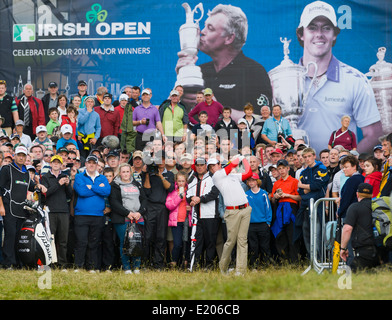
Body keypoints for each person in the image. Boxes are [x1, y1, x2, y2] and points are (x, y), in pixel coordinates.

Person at [295, 1, 382, 155]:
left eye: (326, 28)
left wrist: (346, 163)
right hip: (294, 175)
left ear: (334, 34)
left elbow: (374, 134)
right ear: (301, 34)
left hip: (341, 176)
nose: (319, 34)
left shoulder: (356, 80)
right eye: (312, 28)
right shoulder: (283, 80)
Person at [176, 4, 272, 120]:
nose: (202, 31)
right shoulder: (199, 71)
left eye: (210, 28)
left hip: (237, 138)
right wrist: (180, 85)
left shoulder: (254, 71)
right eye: (204, 26)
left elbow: (264, 121)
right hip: (200, 137)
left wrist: (218, 109)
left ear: (229, 38)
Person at [0, 145, 47, 268]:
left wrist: (38, 185)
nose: (21, 158)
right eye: (19, 155)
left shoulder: (26, 172)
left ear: (26, 157)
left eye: (23, 156)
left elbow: (31, 187)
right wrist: (1, 207)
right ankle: (7, 263)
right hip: (8, 208)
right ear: (15, 155)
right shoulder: (6, 169)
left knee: (18, 237)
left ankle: (17, 263)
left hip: (21, 210)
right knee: (10, 236)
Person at [208, 154, 252, 275]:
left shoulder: (232, 176)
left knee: (242, 240)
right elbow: (231, 165)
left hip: (245, 209)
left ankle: (240, 271)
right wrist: (239, 157)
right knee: (231, 241)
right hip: (232, 212)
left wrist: (244, 160)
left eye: (214, 165)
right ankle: (223, 266)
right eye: (211, 167)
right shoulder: (217, 177)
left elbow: (248, 174)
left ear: (218, 165)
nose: (213, 168)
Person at [72, 154, 111, 271]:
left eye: (94, 163)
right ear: (86, 164)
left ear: (97, 165)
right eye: (89, 163)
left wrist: (91, 187)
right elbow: (82, 192)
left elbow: (107, 191)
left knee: (94, 243)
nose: (91, 165)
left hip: (98, 216)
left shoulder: (102, 178)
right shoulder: (79, 176)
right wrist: (98, 188)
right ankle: (78, 266)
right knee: (81, 242)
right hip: (81, 215)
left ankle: (92, 267)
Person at [109, 163, 146, 274]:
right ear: (120, 173)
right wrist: (127, 213)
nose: (125, 174)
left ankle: (136, 267)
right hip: (123, 219)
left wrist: (140, 212)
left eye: (127, 171)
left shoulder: (136, 184)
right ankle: (126, 268)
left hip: (138, 218)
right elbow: (114, 203)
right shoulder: (115, 185)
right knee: (125, 242)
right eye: (123, 172)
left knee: (137, 242)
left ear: (131, 172)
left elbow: (144, 199)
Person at [143, 151, 175, 270]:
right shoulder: (150, 173)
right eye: (158, 159)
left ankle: (159, 264)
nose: (160, 162)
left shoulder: (170, 174)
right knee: (148, 236)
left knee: (161, 237)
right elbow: (146, 191)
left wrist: (161, 176)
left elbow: (170, 188)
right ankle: (146, 263)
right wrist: (147, 174)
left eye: (162, 159)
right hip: (150, 206)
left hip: (163, 208)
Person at [186, 157, 220, 270]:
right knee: (197, 242)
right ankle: (195, 265)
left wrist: (200, 199)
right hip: (196, 216)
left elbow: (214, 194)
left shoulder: (213, 177)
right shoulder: (192, 178)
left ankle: (209, 266)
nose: (200, 167)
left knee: (210, 242)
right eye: (198, 165)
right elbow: (187, 194)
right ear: (195, 166)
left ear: (206, 165)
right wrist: (192, 198)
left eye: (202, 165)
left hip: (210, 215)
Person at [40, 154, 73, 268]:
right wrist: (58, 184)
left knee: (63, 240)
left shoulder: (65, 176)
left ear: (61, 165)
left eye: (58, 162)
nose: (56, 164)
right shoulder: (45, 177)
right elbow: (45, 194)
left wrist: (68, 185)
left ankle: (62, 264)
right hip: (50, 211)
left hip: (63, 211)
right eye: (54, 162)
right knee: (50, 240)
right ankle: (51, 264)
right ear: (50, 164)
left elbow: (70, 195)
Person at [297, 147, 329, 257]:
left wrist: (304, 186)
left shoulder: (321, 168)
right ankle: (311, 259)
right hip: (306, 206)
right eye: (305, 157)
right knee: (306, 233)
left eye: (309, 156)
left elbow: (318, 185)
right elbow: (300, 191)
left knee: (318, 233)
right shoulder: (303, 172)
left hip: (318, 206)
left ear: (314, 156)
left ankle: (320, 259)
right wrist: (307, 188)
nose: (307, 159)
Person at [340, 183, 379, 272]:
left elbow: (347, 229)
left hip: (363, 250)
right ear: (372, 195)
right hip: (380, 248)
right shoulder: (378, 207)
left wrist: (343, 248)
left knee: (355, 277)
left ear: (357, 194)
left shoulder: (354, 207)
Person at [270, 159, 301, 262]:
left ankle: (294, 261)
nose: (282, 170)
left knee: (292, 235)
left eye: (283, 168)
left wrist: (287, 195)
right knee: (280, 235)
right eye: (279, 169)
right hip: (280, 209)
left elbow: (299, 197)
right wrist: (275, 196)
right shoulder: (276, 183)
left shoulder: (294, 181)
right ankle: (284, 261)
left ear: (288, 168)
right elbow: (273, 199)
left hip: (291, 209)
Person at [245, 172, 272, 268]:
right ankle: (254, 266)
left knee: (265, 246)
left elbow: (268, 208)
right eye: (249, 181)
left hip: (263, 224)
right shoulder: (246, 194)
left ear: (257, 181)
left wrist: (268, 222)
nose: (251, 182)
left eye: (253, 180)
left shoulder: (264, 194)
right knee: (253, 246)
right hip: (251, 224)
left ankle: (266, 265)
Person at [165, 170, 190, 268]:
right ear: (176, 181)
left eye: (183, 181)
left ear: (186, 181)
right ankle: (174, 261)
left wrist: (190, 207)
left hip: (187, 220)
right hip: (176, 221)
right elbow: (169, 205)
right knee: (177, 243)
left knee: (187, 242)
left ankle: (186, 261)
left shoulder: (189, 190)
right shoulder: (173, 191)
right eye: (179, 181)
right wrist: (179, 197)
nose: (181, 183)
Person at [337, 155, 365, 219]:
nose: (344, 170)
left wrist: (339, 212)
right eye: (343, 167)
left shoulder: (352, 180)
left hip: (350, 215)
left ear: (354, 167)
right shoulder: (362, 178)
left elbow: (346, 199)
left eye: (346, 167)